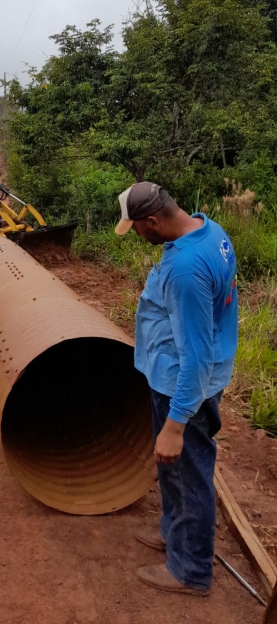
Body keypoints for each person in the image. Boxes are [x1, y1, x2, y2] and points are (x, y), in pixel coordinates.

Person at [115, 182, 237, 596]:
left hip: (185, 387)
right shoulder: (209, 230)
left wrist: (176, 424)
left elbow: (197, 356)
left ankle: (191, 571)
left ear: (153, 221)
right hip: (175, 377)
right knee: (174, 471)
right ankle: (173, 532)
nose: (134, 234)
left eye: (135, 227)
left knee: (190, 475)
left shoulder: (185, 269)